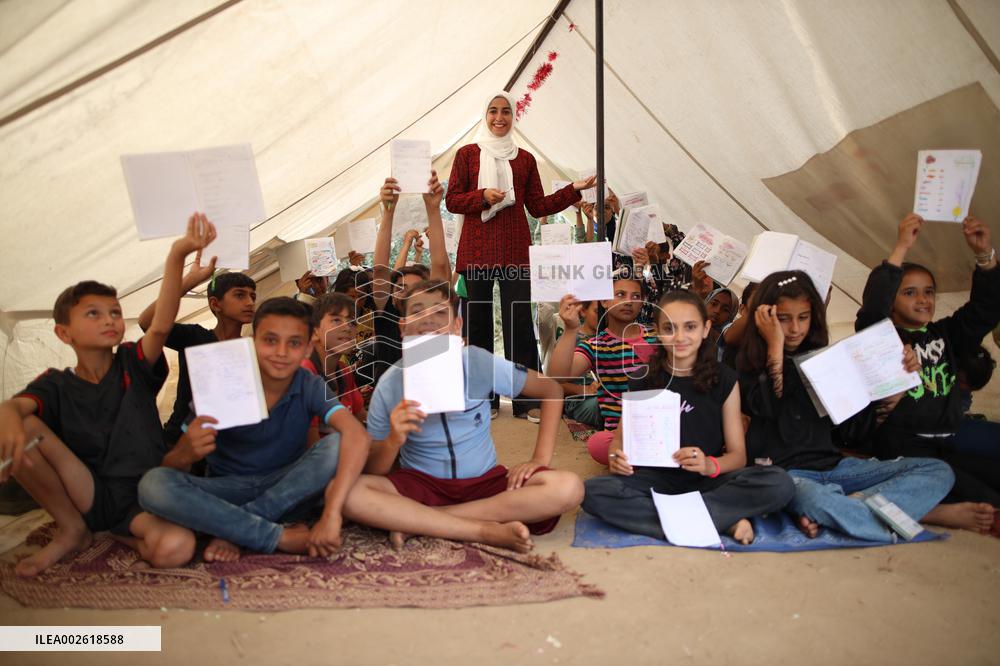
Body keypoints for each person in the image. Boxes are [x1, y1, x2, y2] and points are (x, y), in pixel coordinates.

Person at [0, 215, 217, 576]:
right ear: (63, 333)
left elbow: (161, 325)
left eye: (115, 312)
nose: (109, 319)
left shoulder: (133, 362)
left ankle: (121, 536)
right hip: (90, 492)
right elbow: (14, 407)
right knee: (18, 421)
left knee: (176, 548)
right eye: (93, 313)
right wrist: (9, 425)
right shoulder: (55, 383)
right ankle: (72, 529)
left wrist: (177, 258)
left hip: (148, 490)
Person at [342, 280, 582, 552]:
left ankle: (424, 523)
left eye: (440, 313)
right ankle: (482, 528)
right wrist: (392, 441)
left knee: (568, 487)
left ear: (457, 326)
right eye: (417, 312)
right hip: (421, 486)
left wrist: (539, 459)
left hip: (485, 483)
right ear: (402, 327)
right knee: (351, 493)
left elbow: (551, 389)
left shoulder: (476, 362)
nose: (428, 321)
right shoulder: (390, 383)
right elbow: (375, 470)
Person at [138, 297, 371, 563]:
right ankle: (274, 535)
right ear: (251, 343)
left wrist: (332, 513)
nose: (281, 352)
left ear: (307, 348)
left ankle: (234, 528)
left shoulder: (310, 384)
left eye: (294, 343)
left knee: (339, 443)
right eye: (270, 340)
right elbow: (172, 466)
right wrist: (186, 452)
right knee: (153, 484)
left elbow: (357, 435)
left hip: (287, 488)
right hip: (227, 490)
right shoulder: (223, 381)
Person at [738, 270, 955, 542]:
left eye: (803, 317)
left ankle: (854, 506)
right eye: (784, 319)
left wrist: (895, 386)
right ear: (765, 318)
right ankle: (872, 521)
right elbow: (769, 405)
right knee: (812, 498)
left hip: (838, 470)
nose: (795, 328)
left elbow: (852, 433)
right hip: (786, 476)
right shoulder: (747, 363)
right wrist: (774, 346)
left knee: (938, 471)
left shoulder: (826, 361)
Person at [583, 290, 795, 544]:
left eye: (690, 327)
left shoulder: (724, 379)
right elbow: (619, 440)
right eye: (670, 328)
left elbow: (738, 456)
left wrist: (709, 465)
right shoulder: (643, 378)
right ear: (658, 331)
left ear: (705, 329)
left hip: (709, 481)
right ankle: (720, 519)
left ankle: (678, 520)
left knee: (779, 482)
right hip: (655, 480)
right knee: (593, 492)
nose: (680, 337)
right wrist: (616, 456)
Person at [446, 91, 595, 421]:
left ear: (514, 117)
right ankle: (482, 400)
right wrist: (482, 196)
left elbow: (538, 206)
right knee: (478, 324)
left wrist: (574, 190)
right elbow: (453, 200)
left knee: (519, 325)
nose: (499, 117)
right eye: (493, 111)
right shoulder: (467, 154)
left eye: (506, 112)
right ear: (484, 115)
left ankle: (527, 401)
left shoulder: (525, 159)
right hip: (476, 253)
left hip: (515, 254)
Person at [854, 213, 1000, 531]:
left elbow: (985, 310)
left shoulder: (948, 334)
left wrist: (984, 255)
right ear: (891, 302)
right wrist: (901, 247)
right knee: (986, 503)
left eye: (928, 292)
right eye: (909, 293)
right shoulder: (882, 337)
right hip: (903, 449)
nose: (922, 299)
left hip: (947, 443)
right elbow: (872, 309)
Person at [137, 259, 257, 449]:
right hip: (179, 443)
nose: (250, 302)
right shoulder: (195, 338)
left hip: (226, 449)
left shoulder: (252, 349)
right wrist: (189, 282)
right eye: (240, 295)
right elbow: (147, 321)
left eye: (252, 296)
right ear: (215, 304)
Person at [546, 278, 658, 464]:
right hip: (620, 435)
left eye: (636, 296)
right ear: (604, 301)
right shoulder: (595, 346)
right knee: (598, 444)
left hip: (659, 422)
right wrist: (570, 329)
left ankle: (645, 457)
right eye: (620, 294)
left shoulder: (656, 335)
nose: (628, 301)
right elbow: (558, 376)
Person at [368, 172, 450, 386]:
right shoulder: (386, 315)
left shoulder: (432, 318)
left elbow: (440, 266)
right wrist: (388, 211)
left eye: (415, 290)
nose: (407, 294)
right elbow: (379, 270)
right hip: (391, 407)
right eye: (401, 287)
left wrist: (433, 208)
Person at [303, 292, 366, 438]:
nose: (347, 328)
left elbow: (360, 417)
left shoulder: (343, 370)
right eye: (336, 320)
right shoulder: (305, 375)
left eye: (352, 322)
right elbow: (313, 449)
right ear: (315, 332)